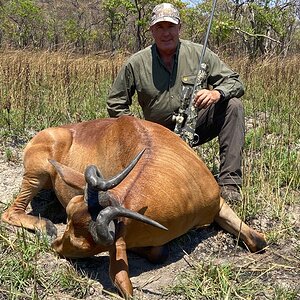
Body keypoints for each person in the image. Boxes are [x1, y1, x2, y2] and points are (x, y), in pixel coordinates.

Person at [107, 3, 245, 204]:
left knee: (233, 105)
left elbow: (235, 82)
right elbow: (115, 102)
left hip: (193, 125)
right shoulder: (136, 63)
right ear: (151, 30)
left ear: (179, 28)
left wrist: (216, 93)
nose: (166, 33)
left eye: (170, 27)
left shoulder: (200, 53)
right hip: (154, 137)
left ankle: (230, 185)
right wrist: (136, 131)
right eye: (160, 27)